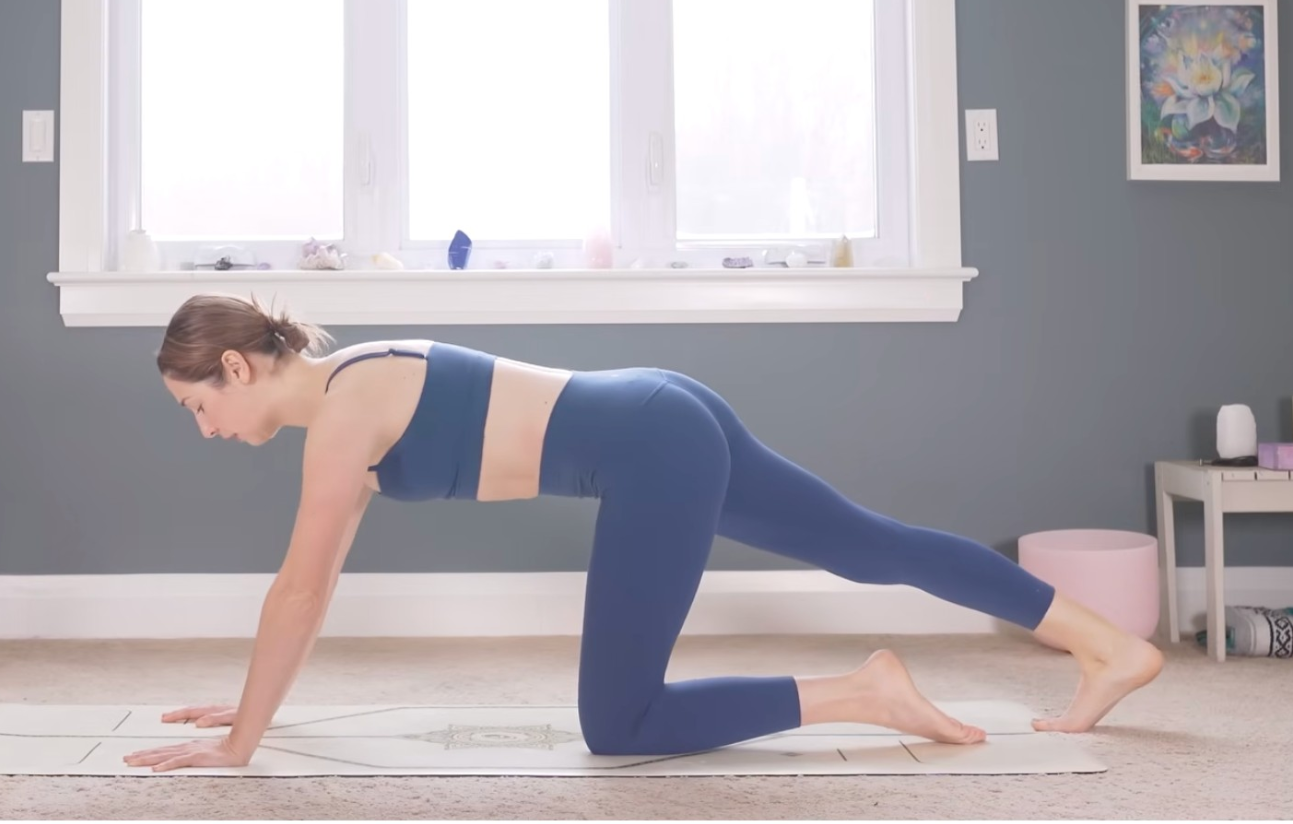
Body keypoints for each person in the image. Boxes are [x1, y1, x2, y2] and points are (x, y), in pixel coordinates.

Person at [124, 294, 1163, 773]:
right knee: (867, 542)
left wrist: (240, 745)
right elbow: (317, 587)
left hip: (651, 450)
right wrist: (257, 707)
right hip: (667, 413)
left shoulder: (345, 414)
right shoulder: (351, 394)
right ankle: (1108, 644)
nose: (204, 428)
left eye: (194, 406)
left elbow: (298, 589)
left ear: (238, 370)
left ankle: (861, 692)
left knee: (617, 725)